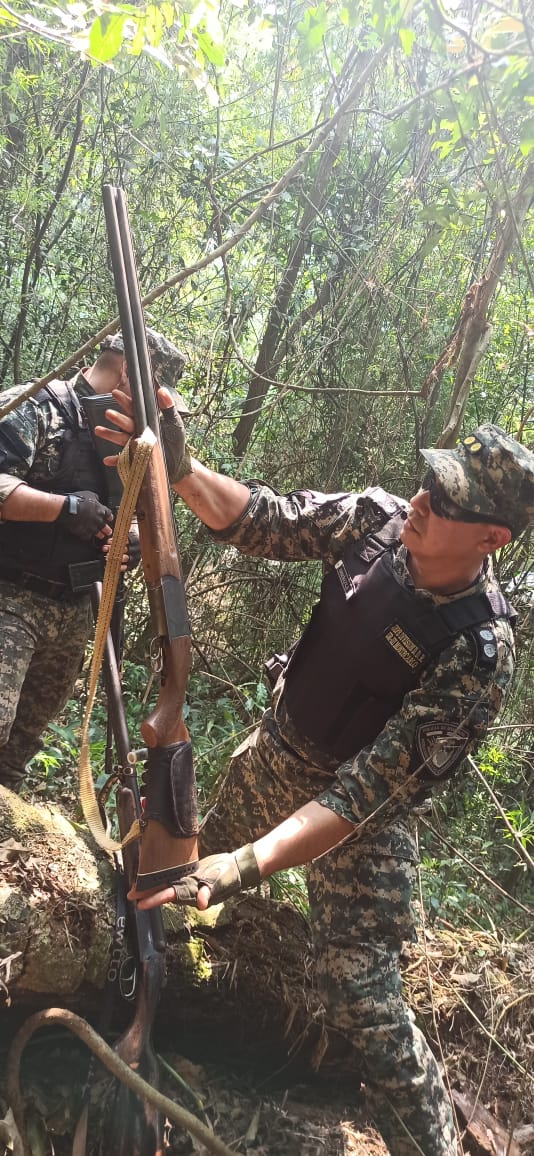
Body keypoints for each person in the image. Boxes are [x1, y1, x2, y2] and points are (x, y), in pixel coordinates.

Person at [100, 392, 534, 1156]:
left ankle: (430, 1142)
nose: (424, 500)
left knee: (356, 990)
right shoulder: (374, 519)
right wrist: (185, 470)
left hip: (359, 822)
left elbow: (364, 796)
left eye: (450, 501)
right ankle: (161, 1021)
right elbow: (263, 519)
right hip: (276, 753)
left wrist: (249, 863)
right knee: (176, 894)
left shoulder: (478, 654)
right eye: (431, 480)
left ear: (492, 537)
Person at [0, 328, 186, 794]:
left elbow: (145, 514)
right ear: (128, 370)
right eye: (151, 386)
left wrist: (128, 539)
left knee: (15, 755)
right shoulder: (38, 404)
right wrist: (65, 509)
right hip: (12, 598)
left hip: (77, 610)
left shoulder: (128, 440)